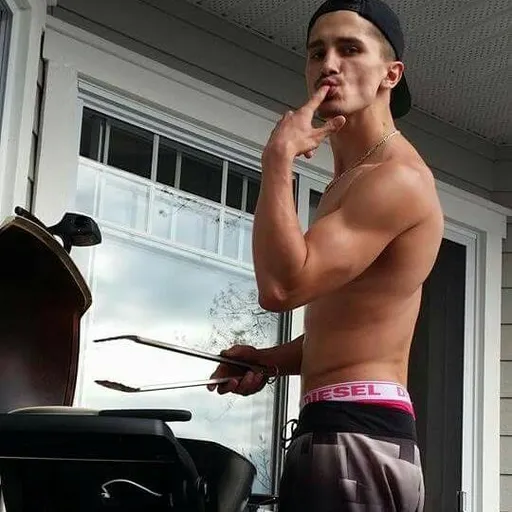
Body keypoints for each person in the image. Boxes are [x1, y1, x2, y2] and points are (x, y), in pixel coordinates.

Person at [208, 0, 443, 510]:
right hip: (342, 431)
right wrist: (269, 360)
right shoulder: (351, 179)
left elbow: (282, 288)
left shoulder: (394, 179)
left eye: (350, 49)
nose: (329, 64)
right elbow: (349, 325)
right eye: (318, 52)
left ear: (391, 74)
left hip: (355, 439)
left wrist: (276, 160)